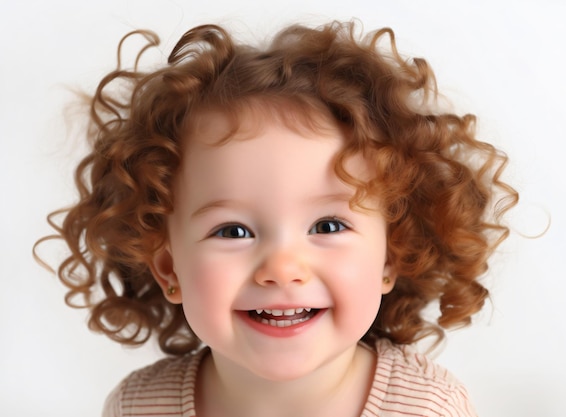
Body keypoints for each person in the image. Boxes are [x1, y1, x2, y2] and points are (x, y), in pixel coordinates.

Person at [36, 19, 517, 417]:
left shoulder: (426, 407)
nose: (282, 267)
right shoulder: (137, 408)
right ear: (168, 268)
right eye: (233, 231)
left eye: (327, 226)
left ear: (391, 256)